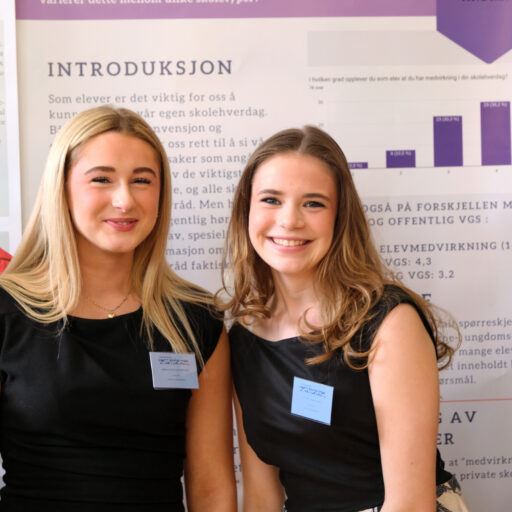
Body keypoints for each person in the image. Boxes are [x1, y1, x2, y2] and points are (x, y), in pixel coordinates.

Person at [220, 126, 469, 512]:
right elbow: (262, 496)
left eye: (313, 203)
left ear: (340, 217)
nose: (289, 220)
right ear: (246, 210)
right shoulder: (244, 337)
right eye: (271, 199)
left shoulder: (389, 322)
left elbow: (410, 504)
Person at [0, 106, 236, 511]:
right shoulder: (7, 312)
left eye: (142, 180)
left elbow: (211, 485)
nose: (125, 199)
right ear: (61, 188)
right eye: (102, 179)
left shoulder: (195, 321)